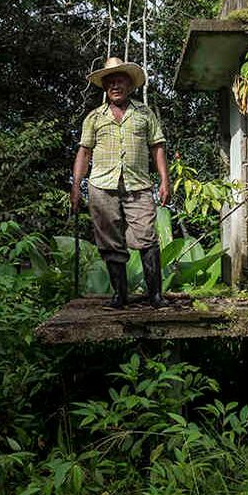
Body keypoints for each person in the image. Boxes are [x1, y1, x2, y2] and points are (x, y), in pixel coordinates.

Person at [70, 57, 170, 309]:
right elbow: (84, 152)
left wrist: (164, 181)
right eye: (111, 82)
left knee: (147, 237)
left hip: (138, 185)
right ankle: (120, 296)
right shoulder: (94, 117)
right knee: (110, 241)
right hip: (102, 186)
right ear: (105, 87)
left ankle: (155, 296)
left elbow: (157, 147)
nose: (115, 86)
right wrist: (75, 187)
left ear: (129, 85)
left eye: (120, 81)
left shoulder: (144, 114)